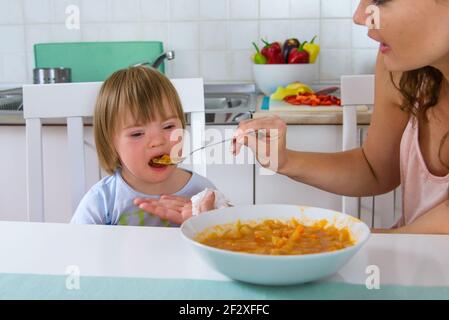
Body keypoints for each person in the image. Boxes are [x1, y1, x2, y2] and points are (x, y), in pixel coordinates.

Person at [233, 0, 449, 234]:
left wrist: (347, 243)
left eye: (381, 0)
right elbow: (374, 169)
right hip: (412, 263)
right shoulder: (403, 71)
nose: (359, 16)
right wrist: (284, 160)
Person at [71, 66, 216, 226]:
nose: (158, 141)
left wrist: (208, 223)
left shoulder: (204, 194)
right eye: (137, 134)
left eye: (168, 127)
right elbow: (76, 247)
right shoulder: (102, 200)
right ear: (111, 143)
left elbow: (228, 240)